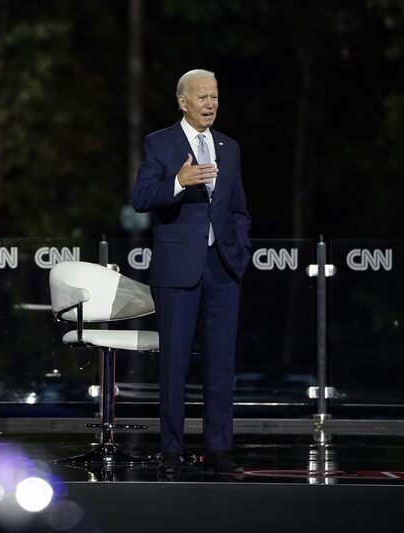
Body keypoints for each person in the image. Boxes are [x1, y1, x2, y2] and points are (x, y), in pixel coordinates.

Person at [131, 69, 251, 476]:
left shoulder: (228, 147)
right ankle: (171, 449)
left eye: (214, 96)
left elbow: (237, 209)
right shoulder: (160, 143)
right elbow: (141, 198)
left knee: (221, 364)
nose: (210, 104)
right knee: (175, 364)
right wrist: (178, 182)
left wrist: (239, 250)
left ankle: (219, 449)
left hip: (222, 269)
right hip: (177, 270)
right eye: (202, 97)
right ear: (182, 102)